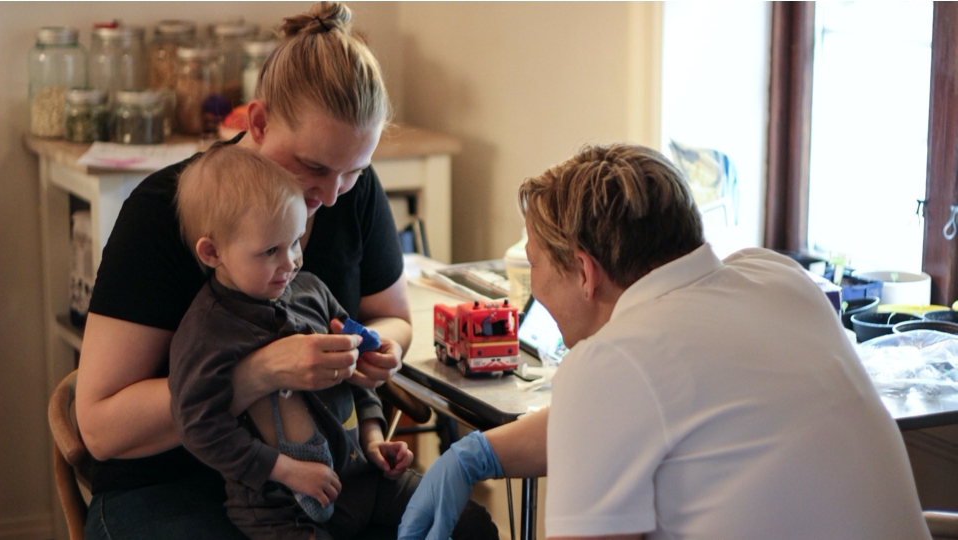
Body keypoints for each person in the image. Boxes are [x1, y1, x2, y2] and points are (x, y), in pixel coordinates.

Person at [74, 3, 496, 539]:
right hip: (169, 483)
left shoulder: (350, 194)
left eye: (354, 171)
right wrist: (259, 374)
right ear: (258, 120)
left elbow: (392, 318)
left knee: (464, 526)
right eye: (313, 167)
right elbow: (102, 428)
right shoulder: (164, 211)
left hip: (322, 474)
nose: (329, 194)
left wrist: (372, 350)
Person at [398, 144, 932, 540]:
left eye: (535, 263)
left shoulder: (611, 363)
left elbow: (614, 397)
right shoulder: (777, 277)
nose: (534, 288)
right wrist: (477, 454)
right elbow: (629, 410)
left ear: (584, 271)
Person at [169, 144, 419, 540]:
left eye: (295, 242)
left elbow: (355, 360)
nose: (290, 263)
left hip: (361, 479)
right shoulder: (205, 332)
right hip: (280, 510)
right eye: (270, 251)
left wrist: (373, 436)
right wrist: (285, 471)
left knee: (464, 516)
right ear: (213, 252)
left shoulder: (311, 291)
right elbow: (198, 426)